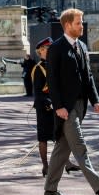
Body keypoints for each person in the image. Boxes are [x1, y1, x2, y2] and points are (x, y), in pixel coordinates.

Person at [44, 8, 99, 195]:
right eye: (78, 23)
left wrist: (95, 100)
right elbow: (52, 81)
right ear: (68, 25)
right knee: (80, 148)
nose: (82, 27)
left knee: (62, 149)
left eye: (81, 22)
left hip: (81, 106)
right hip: (66, 109)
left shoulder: (83, 47)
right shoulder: (56, 48)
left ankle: (50, 190)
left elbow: (88, 77)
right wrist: (59, 106)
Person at [32, 37, 80, 177]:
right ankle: (46, 166)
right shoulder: (38, 69)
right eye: (49, 49)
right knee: (43, 138)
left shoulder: (55, 65)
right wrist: (49, 103)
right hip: (44, 108)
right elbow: (38, 92)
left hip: (57, 107)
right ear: (41, 51)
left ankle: (67, 163)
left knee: (61, 136)